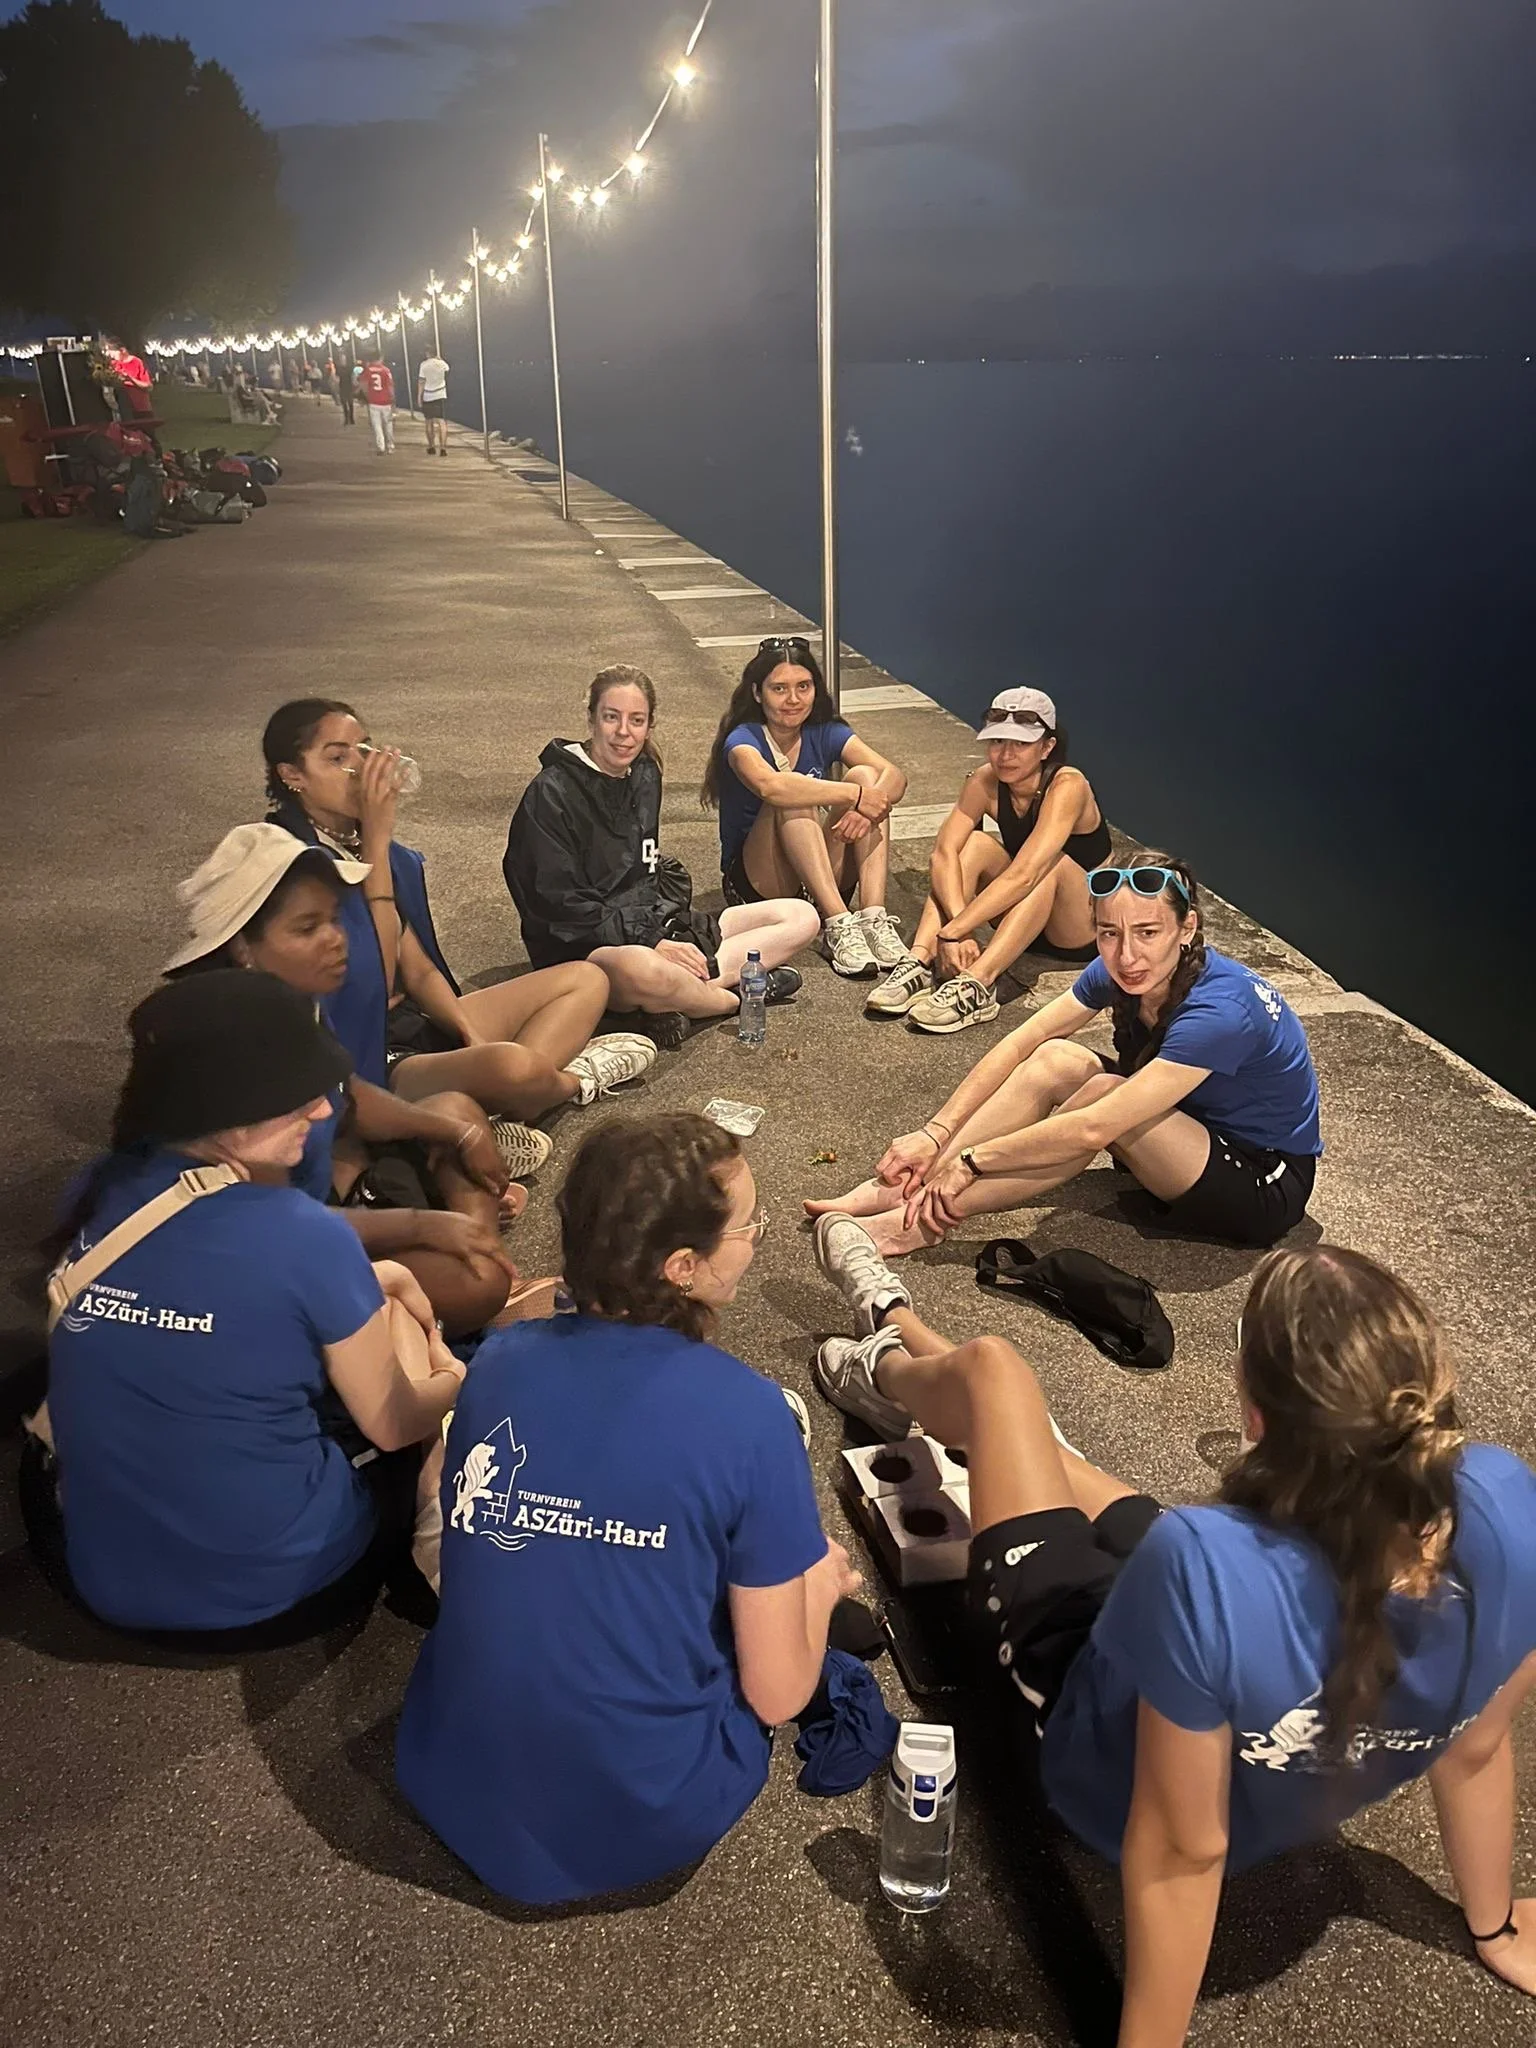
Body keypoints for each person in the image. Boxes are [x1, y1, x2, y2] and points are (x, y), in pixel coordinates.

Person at [809, 1241, 1536, 2033]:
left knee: (996, 1377)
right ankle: (904, 1337)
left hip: (1092, 1764)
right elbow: (1477, 1746)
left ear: (1254, 1416)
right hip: (1217, 1623)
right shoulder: (1510, 1503)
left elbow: (1183, 1853)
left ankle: (883, 1353)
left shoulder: (1202, 1562)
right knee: (1050, 1461)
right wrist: (1495, 1926)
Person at [395, 1112, 861, 1905]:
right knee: (805, 1578)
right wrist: (820, 1584)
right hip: (646, 1813)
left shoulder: (501, 1360)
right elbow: (780, 1697)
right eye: (749, 1224)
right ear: (683, 1265)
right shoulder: (749, 1420)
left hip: (452, 1773)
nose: (757, 1236)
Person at [29, 971, 466, 1642]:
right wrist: (454, 1374)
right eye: (296, 1097)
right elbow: (395, 1424)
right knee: (410, 1369)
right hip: (279, 1595)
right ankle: (436, 1536)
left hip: (97, 1584)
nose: (322, 1112)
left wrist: (374, 1278)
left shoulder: (97, 1191)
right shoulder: (301, 1230)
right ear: (224, 1106)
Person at [807, 856, 1320, 1256]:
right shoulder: (1122, 968)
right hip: (1191, 1124)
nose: (1127, 954)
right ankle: (908, 1187)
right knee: (1055, 1058)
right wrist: (935, 1137)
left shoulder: (1220, 1012)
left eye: (1148, 932)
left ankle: (918, 1222)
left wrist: (972, 1162)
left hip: (1261, 1179)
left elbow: (1094, 1128)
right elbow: (1019, 1044)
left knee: (1102, 1095)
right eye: (1109, 933)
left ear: (1186, 930)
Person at [263, 699, 656, 1170]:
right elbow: (374, 981)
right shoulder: (291, 866)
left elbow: (419, 968)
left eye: (362, 750)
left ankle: (493, 1110)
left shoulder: (354, 844)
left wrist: (468, 1032)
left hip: (413, 1021)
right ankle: (571, 1082)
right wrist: (378, 844)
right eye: (336, 757)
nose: (359, 769)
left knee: (587, 979)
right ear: (293, 775)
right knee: (512, 1067)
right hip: (365, 1050)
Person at [166, 823, 520, 1337]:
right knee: (478, 1283)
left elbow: (347, 1094)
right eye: (307, 928)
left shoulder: (292, 1004)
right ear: (243, 947)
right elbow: (267, 1225)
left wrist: (454, 1133)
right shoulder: (228, 1056)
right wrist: (425, 1225)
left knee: (457, 1114)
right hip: (264, 1250)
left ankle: (467, 1254)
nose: (336, 938)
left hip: (326, 1198)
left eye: (333, 919)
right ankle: (454, 1277)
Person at [503, 665, 820, 1038]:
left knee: (801, 916)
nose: (624, 732)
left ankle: (677, 997)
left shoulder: (645, 773)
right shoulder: (550, 794)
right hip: (586, 948)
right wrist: (650, 941)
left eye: (636, 720)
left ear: (650, 725)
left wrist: (666, 931)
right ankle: (733, 997)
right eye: (611, 717)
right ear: (591, 719)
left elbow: (642, 870)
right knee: (644, 969)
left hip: (652, 927)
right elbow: (558, 906)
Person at [869, 686, 1110, 1033]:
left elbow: (1026, 874)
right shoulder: (983, 780)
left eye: (1021, 744)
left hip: (1078, 926)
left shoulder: (1068, 785)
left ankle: (980, 983)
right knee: (974, 844)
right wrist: (958, 927)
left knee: (1050, 862)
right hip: (1022, 916)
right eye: (997, 742)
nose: (1005, 755)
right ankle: (920, 961)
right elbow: (942, 854)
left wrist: (954, 931)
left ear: (1047, 747)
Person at [701, 637, 909, 979]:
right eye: (779, 689)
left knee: (867, 775)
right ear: (757, 693)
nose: (793, 699)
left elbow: (894, 776)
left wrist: (864, 805)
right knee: (794, 794)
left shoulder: (826, 730)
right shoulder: (743, 740)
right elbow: (772, 786)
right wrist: (854, 797)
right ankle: (839, 925)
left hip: (814, 876)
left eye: (803, 686)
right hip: (759, 885)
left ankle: (873, 918)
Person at [416, 348, 450, 454]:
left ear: (427, 353)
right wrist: (440, 359)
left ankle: (431, 446)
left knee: (429, 421)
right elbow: (447, 370)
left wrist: (419, 397)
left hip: (428, 395)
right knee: (442, 422)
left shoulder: (423, 365)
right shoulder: (442, 363)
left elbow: (421, 381)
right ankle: (443, 448)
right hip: (440, 394)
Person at [361, 353, 395, 453]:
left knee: (377, 425)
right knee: (388, 424)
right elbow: (390, 386)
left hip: (373, 402)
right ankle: (390, 445)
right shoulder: (386, 370)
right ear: (381, 358)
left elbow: (363, 385)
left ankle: (381, 446)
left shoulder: (368, 370)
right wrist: (393, 399)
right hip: (386, 401)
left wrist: (368, 396)